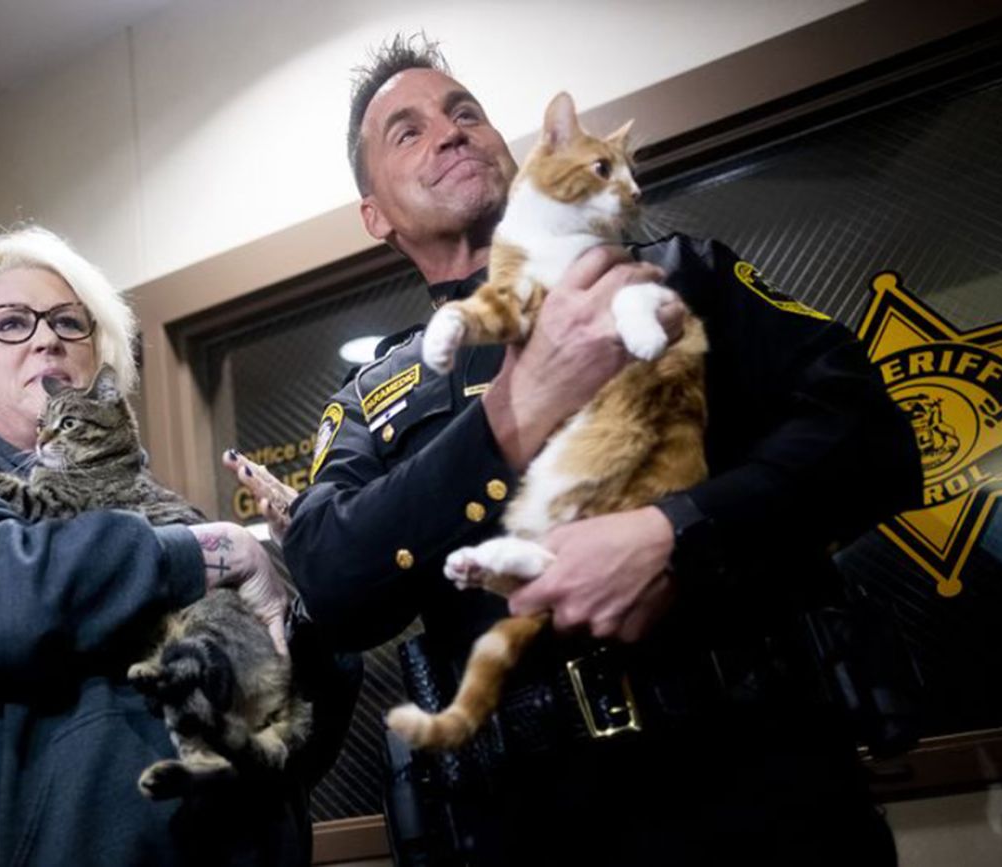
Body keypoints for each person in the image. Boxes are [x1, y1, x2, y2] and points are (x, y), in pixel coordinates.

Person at [234, 35, 923, 866]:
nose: (450, 132)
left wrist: (679, 531)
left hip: (767, 790)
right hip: (530, 826)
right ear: (375, 214)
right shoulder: (374, 398)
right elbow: (333, 578)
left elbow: (872, 434)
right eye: (406, 132)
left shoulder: (670, 274)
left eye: (465, 114)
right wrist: (512, 414)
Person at [0, 226, 316, 866]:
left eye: (69, 322)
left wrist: (310, 598)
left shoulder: (160, 509)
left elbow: (282, 724)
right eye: (9, 323)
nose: (47, 337)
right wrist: (201, 553)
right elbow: (2, 598)